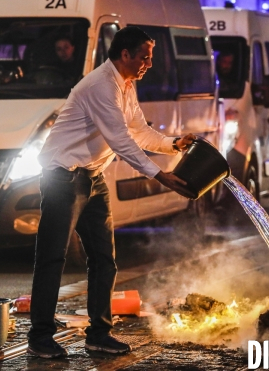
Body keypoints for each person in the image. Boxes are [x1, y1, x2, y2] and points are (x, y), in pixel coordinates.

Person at [27, 26, 196, 359]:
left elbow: (140, 131)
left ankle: (99, 334)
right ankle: (39, 336)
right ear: (125, 55)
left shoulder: (126, 84)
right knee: (52, 258)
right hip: (63, 176)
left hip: (92, 176)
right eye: (144, 57)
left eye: (150, 57)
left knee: (104, 259)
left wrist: (172, 144)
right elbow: (120, 140)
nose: (149, 63)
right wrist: (160, 175)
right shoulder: (102, 86)